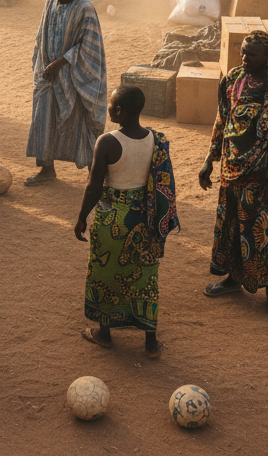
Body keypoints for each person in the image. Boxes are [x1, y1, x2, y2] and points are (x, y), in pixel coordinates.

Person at [199, 29, 268, 316]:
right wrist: (210, 158)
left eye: (251, 53)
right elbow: (222, 120)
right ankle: (232, 279)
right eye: (242, 51)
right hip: (231, 170)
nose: (244, 57)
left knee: (262, 230)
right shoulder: (231, 80)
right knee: (231, 225)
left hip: (263, 175)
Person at [75, 86, 178, 358]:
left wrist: (81, 217)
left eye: (111, 104)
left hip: (112, 220)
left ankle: (105, 334)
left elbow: (94, 186)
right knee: (146, 278)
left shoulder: (107, 142)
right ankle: (150, 343)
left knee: (105, 275)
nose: (108, 108)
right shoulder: (156, 139)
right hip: (144, 220)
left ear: (119, 111)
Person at [25, 0, 107, 186]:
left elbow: (90, 46)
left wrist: (61, 63)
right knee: (44, 120)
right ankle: (47, 169)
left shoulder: (84, 7)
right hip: (48, 78)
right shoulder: (50, 1)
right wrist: (40, 64)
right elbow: (42, 35)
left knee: (82, 123)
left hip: (75, 78)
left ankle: (94, 172)